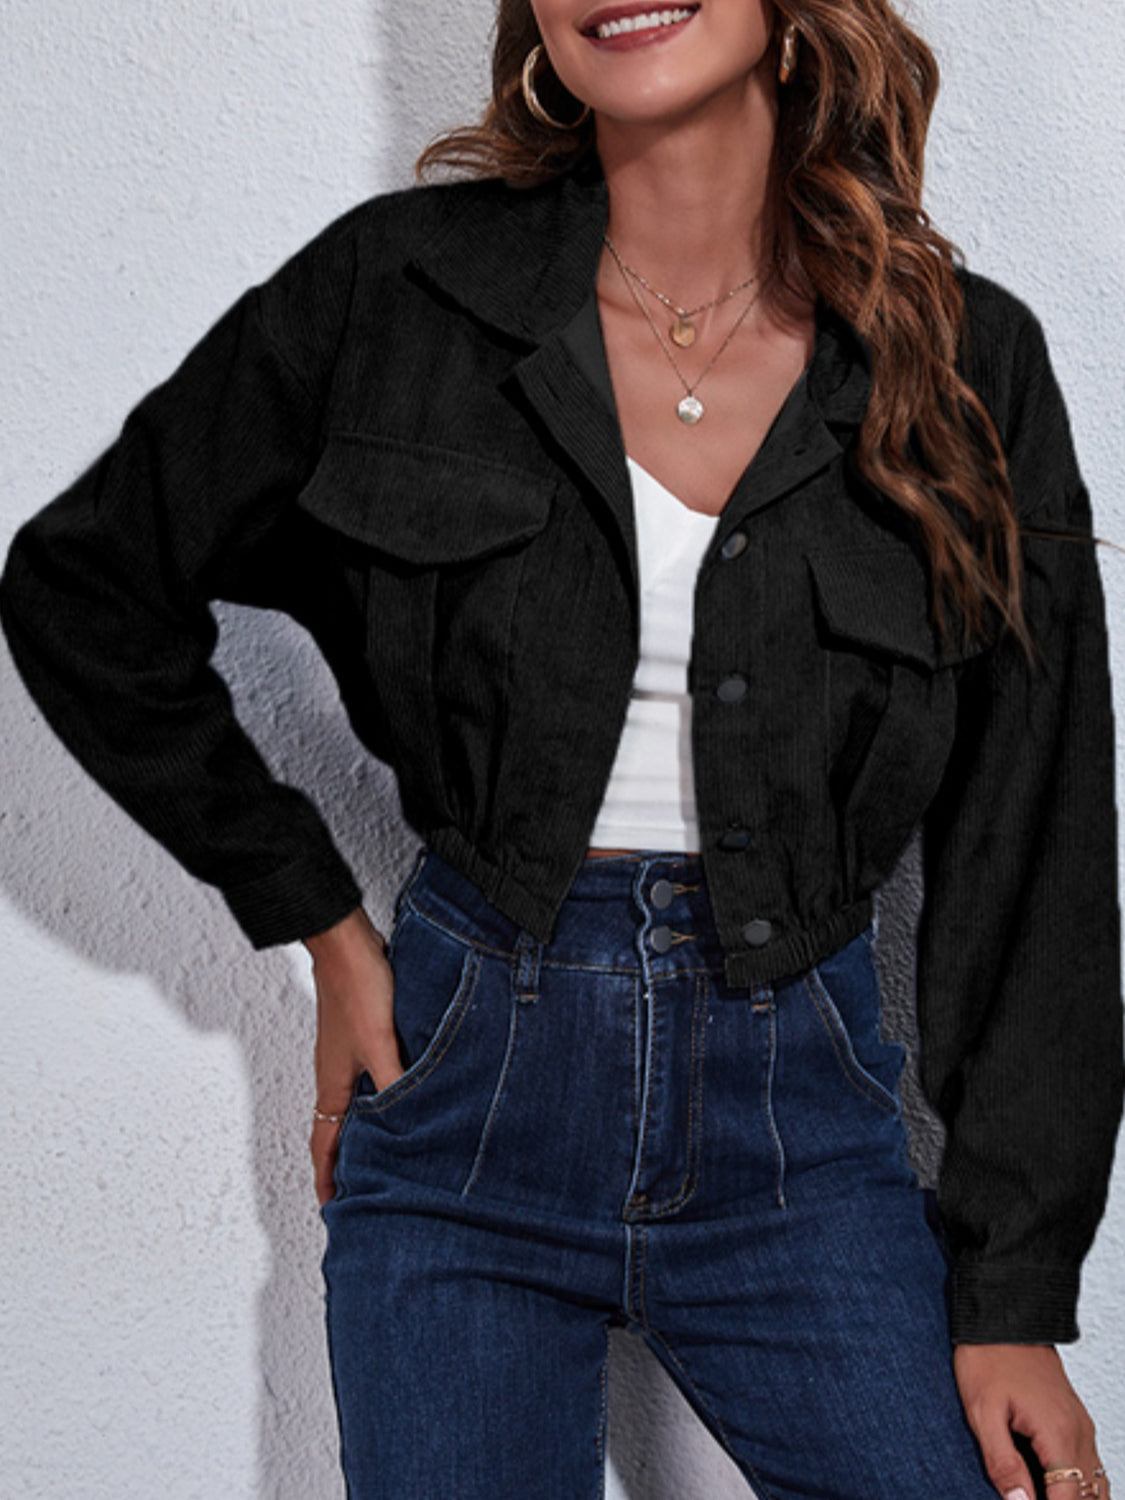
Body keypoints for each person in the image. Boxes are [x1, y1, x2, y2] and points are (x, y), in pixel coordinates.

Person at [1, 0, 1121, 1496]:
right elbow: (82, 585)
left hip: (800, 1132)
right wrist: (316, 914)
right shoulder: (397, 297)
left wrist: (1012, 1295)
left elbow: (1033, 849)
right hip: (463, 1099)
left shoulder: (964, 361)